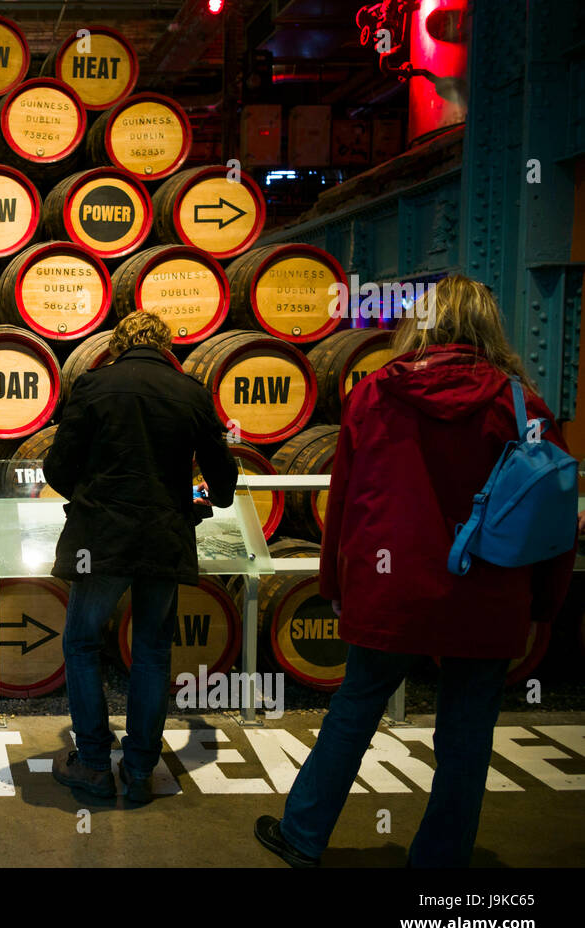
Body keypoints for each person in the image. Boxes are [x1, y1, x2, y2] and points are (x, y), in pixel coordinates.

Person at [254, 275, 577, 868]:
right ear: (487, 325)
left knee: (353, 712)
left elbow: (345, 502)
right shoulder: (521, 405)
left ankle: (302, 835)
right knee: (466, 736)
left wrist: (336, 585)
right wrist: (543, 606)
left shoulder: (375, 393)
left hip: (391, 589)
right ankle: (439, 864)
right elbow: (552, 515)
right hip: (486, 593)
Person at [43, 310, 238, 803]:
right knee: (152, 652)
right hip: (162, 537)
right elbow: (224, 481)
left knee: (83, 644)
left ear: (119, 344)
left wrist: (90, 496)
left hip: (100, 540)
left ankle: (91, 763)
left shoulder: (93, 386)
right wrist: (198, 498)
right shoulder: (191, 392)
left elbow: (58, 467)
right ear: (166, 345)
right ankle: (139, 769)